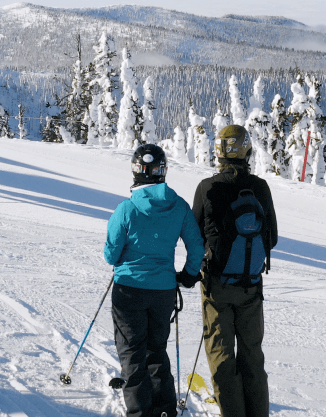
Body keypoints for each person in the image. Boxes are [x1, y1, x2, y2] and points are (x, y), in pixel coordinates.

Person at [104, 144, 204, 417]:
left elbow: (111, 255)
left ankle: (140, 412)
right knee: (156, 350)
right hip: (163, 290)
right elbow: (197, 248)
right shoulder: (179, 206)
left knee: (133, 353)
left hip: (129, 290)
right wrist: (187, 275)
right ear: (162, 172)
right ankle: (164, 411)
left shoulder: (126, 209)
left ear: (136, 171)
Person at [192, 124, 277, 417]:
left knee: (222, 356)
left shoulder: (207, 187)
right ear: (246, 150)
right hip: (251, 285)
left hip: (216, 285)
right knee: (253, 356)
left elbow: (193, 235)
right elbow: (272, 238)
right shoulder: (260, 187)